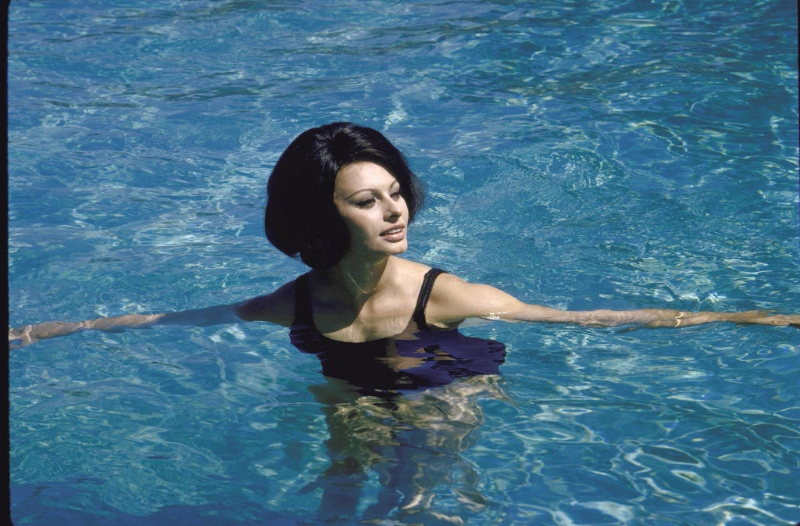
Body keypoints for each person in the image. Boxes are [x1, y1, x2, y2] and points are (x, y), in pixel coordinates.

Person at [8, 122, 799, 522]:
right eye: (366, 199)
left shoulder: (446, 294)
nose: (394, 210)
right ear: (323, 216)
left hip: (445, 384)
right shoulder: (302, 298)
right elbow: (178, 317)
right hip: (354, 393)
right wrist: (47, 334)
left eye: (394, 191)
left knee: (417, 495)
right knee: (338, 492)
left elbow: (590, 318)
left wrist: (751, 316)